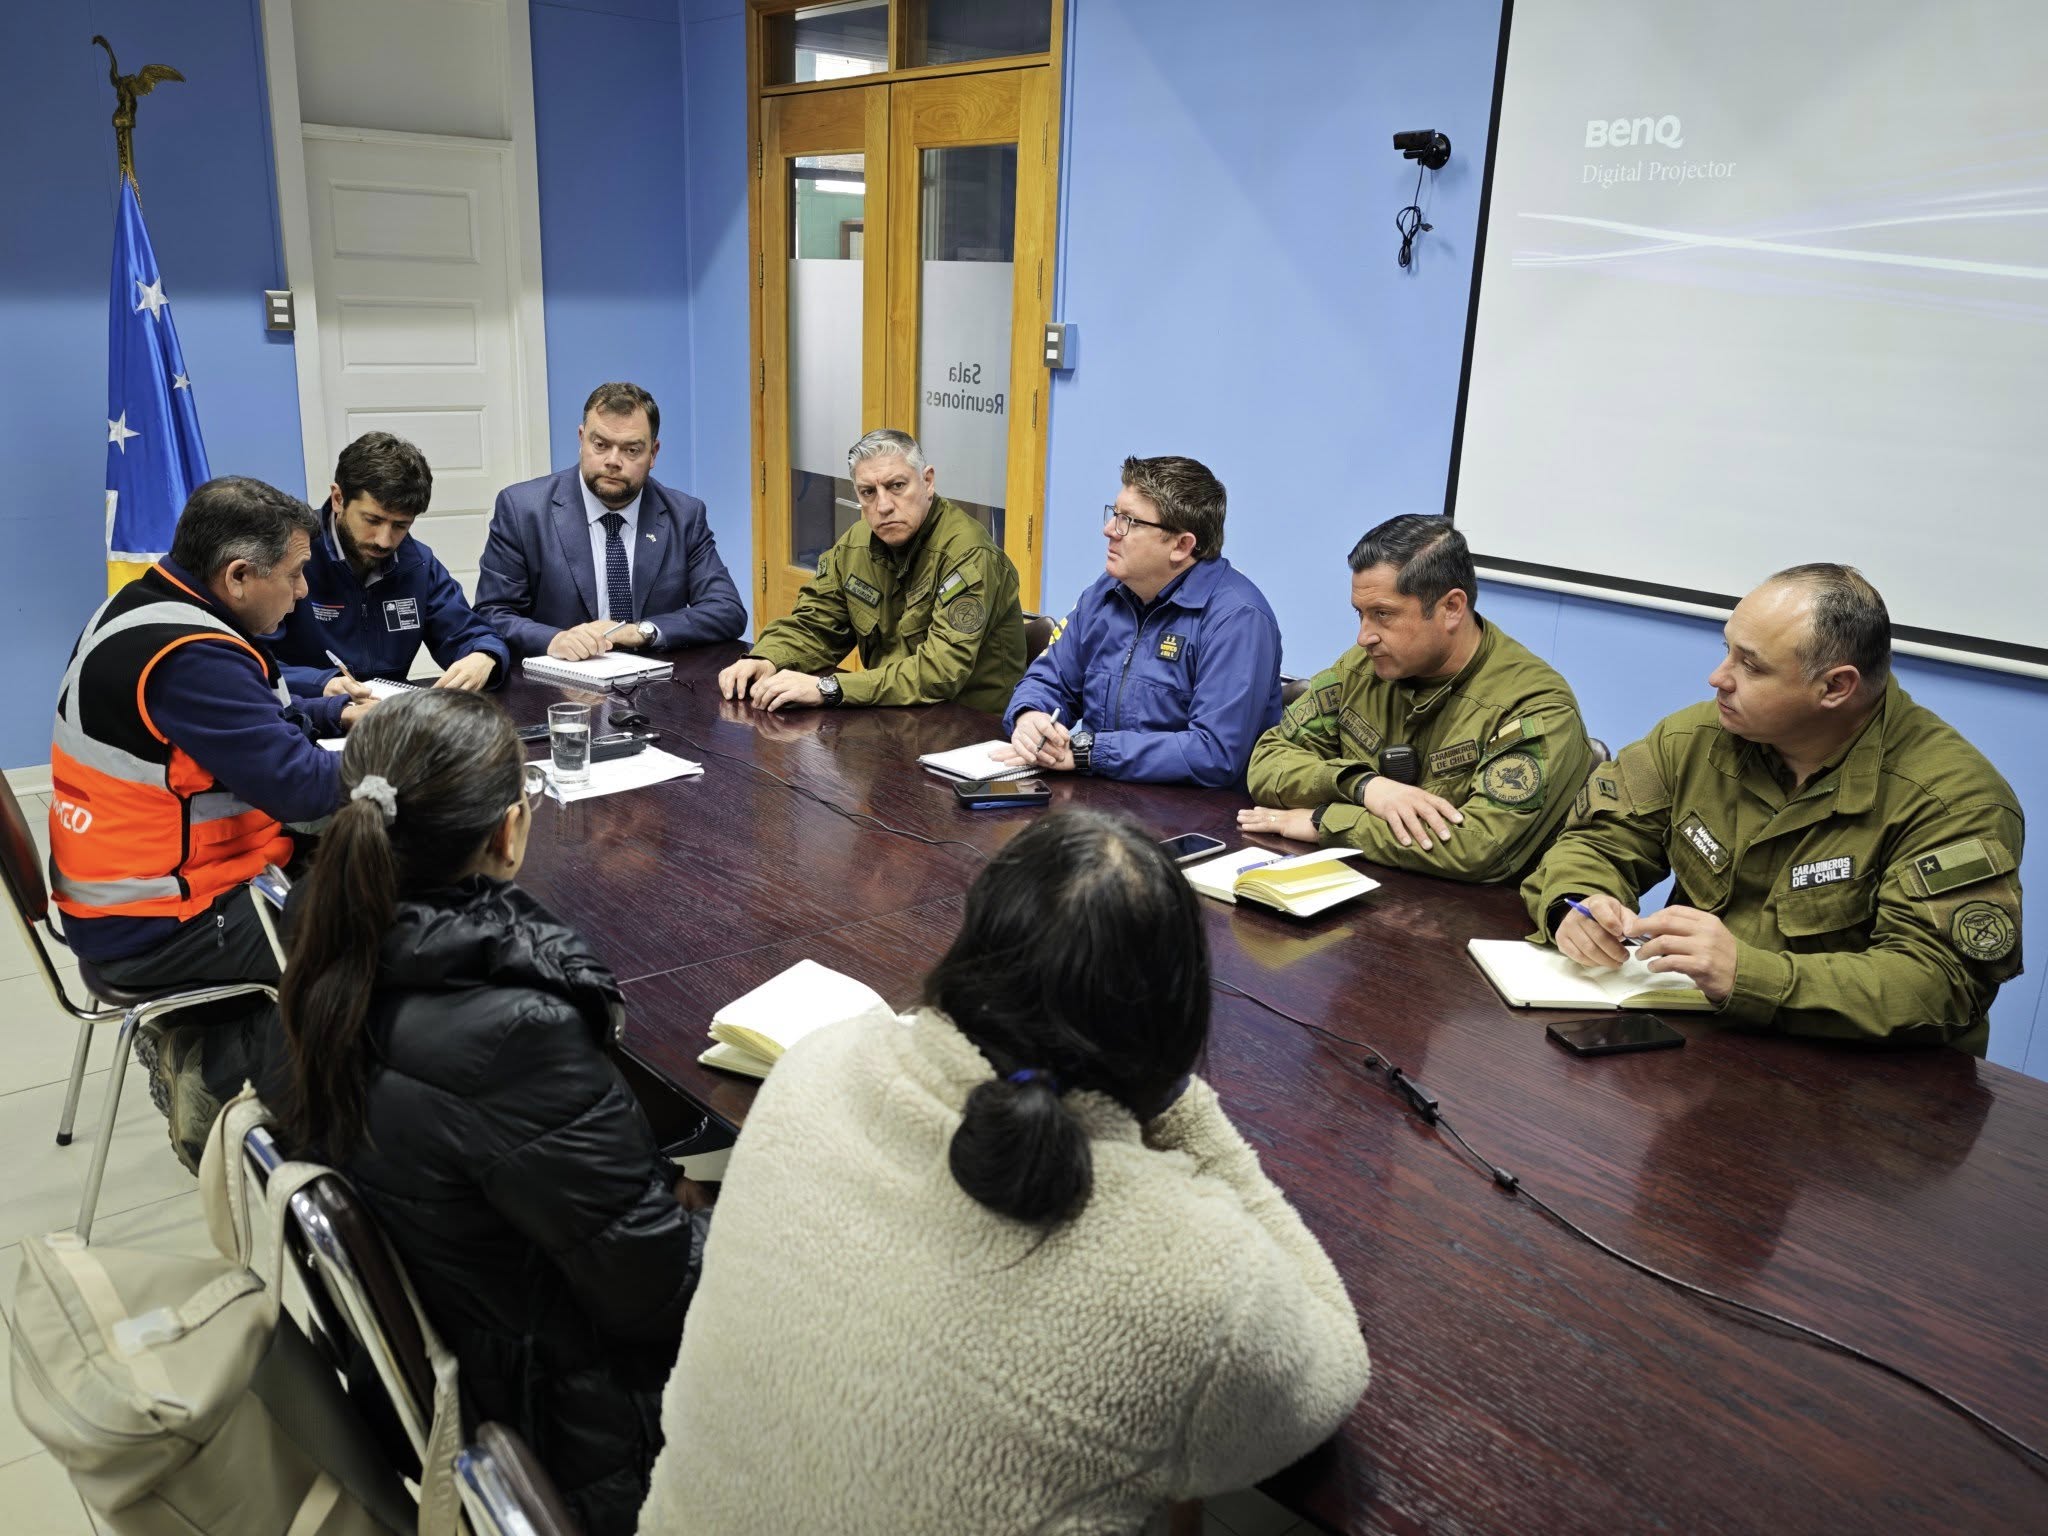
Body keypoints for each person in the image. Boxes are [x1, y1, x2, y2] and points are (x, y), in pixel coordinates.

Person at [641, 809, 1370, 1533]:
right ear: (1176, 1021)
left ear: (968, 955)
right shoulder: (1197, 1274)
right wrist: (1182, 1104)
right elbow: (1331, 1361)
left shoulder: (815, 1063)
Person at [273, 690, 711, 1536]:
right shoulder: (515, 1036)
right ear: (510, 830)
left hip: (476, 1337)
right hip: (581, 1422)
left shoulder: (323, 944)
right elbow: (660, 1296)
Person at [1524, 564, 2025, 1053]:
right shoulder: (1696, 738)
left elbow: (1939, 983)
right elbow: (1600, 840)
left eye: (1752, 665)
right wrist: (1579, 902)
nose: (1718, 677)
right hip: (1702, 1045)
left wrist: (1748, 975)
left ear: (1835, 687)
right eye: (1727, 651)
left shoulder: (1952, 801)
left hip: (1868, 1083)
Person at [49, 478, 362, 1163]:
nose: (304, 592)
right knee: (371, 933)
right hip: (159, 920)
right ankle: (221, 1076)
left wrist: (332, 713)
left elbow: (239, 724)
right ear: (239, 575)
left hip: (121, 890)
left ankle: (214, 1043)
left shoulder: (148, 607)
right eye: (296, 574)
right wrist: (418, 758)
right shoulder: (191, 654)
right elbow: (306, 789)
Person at [1238, 515, 1592, 883]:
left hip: (1472, 919)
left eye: (1383, 615)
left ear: (1452, 607)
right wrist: (1364, 787)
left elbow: (1480, 847)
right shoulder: (1360, 668)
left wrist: (1324, 821)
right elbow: (1267, 762)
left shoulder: (1535, 705)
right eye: (1361, 614)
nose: (1364, 637)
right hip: (1362, 891)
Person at [996, 455, 1281, 786]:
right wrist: (1030, 716)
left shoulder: (1239, 618)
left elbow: (1214, 753)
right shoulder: (1105, 593)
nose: (1109, 530)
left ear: (1181, 545)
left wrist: (1091, 752)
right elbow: (1051, 680)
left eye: (1129, 521)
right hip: (1102, 796)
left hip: (1194, 820)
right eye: (1115, 514)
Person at [716, 428, 1025, 712]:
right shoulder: (856, 544)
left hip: (969, 731)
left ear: (928, 481)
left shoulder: (967, 554)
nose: (884, 505)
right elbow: (816, 624)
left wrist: (830, 687)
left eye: (897, 486)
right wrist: (766, 657)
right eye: (868, 492)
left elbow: (939, 673)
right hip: (889, 716)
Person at [476, 381, 746, 660]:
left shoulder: (684, 515)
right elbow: (492, 613)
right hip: (557, 690)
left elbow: (726, 609)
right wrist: (554, 640)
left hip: (655, 689)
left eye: (631, 450)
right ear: (581, 440)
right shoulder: (523, 510)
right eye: (601, 445)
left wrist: (639, 632)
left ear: (653, 454)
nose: (613, 461)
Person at [271, 431, 510, 695]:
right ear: (338, 499)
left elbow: (470, 633)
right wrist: (322, 684)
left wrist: (485, 655)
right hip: (302, 716)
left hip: (388, 717)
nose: (384, 541)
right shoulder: (290, 556)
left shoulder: (418, 565)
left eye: (400, 525)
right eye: (372, 520)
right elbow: (249, 660)